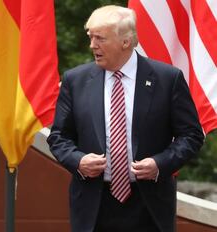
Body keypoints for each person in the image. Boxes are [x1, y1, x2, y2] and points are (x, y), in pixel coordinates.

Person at [47, 5, 204, 232]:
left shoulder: (167, 79)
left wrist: (160, 164)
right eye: (90, 37)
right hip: (94, 205)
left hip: (149, 205)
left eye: (100, 38)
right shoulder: (75, 80)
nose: (92, 45)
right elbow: (59, 136)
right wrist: (78, 161)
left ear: (126, 42)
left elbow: (191, 135)